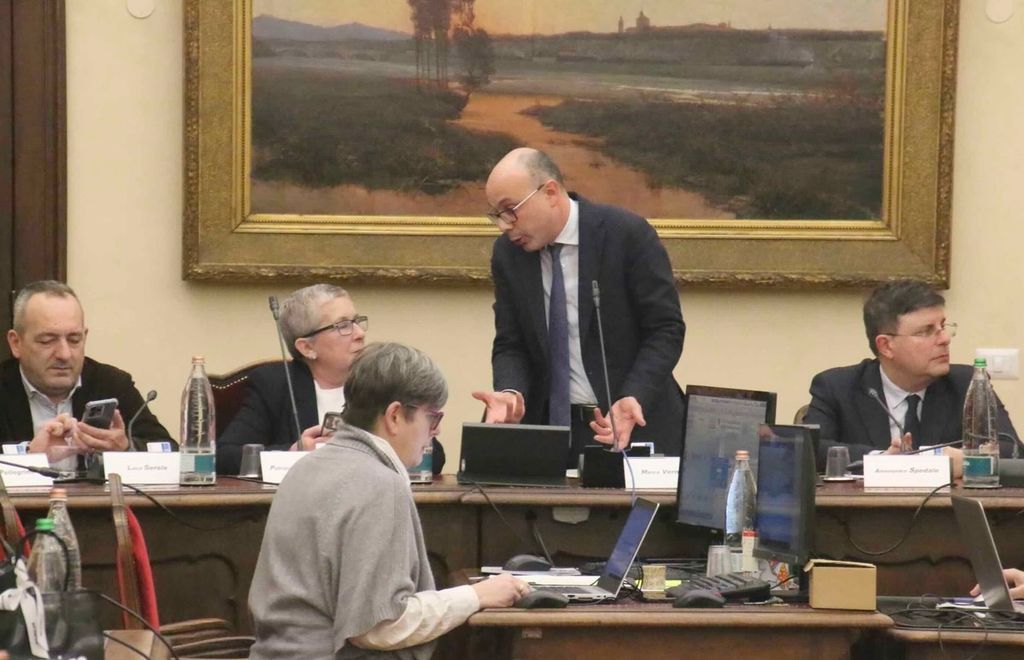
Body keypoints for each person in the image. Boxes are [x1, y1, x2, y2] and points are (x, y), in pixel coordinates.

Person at [249, 343, 527, 659]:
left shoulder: (305, 466)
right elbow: (380, 627)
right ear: (395, 416)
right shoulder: (379, 483)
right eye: (432, 417)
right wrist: (476, 596)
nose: (435, 431)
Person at [473, 147, 685, 462]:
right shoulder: (508, 255)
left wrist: (634, 395)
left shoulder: (626, 234)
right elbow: (511, 343)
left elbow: (666, 329)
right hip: (552, 430)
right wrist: (510, 392)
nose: (504, 225)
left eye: (510, 210)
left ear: (550, 193)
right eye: (496, 215)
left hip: (633, 425)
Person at [216, 284, 445, 474]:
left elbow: (434, 460)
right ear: (307, 347)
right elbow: (224, 456)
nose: (360, 333)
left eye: (357, 321)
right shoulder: (275, 385)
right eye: (343, 325)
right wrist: (293, 453)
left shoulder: (381, 379)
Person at [804, 279, 1017, 469]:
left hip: (945, 502)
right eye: (926, 331)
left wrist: (968, 459)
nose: (945, 339)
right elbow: (809, 450)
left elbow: (1013, 449)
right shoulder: (837, 387)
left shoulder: (967, 383)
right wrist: (880, 460)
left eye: (943, 326)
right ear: (886, 346)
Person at [0, 280, 172, 471]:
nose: (64, 354)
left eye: (74, 340)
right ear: (16, 343)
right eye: (47, 341)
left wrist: (126, 448)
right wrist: (29, 456)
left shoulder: (113, 385)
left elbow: (170, 452)